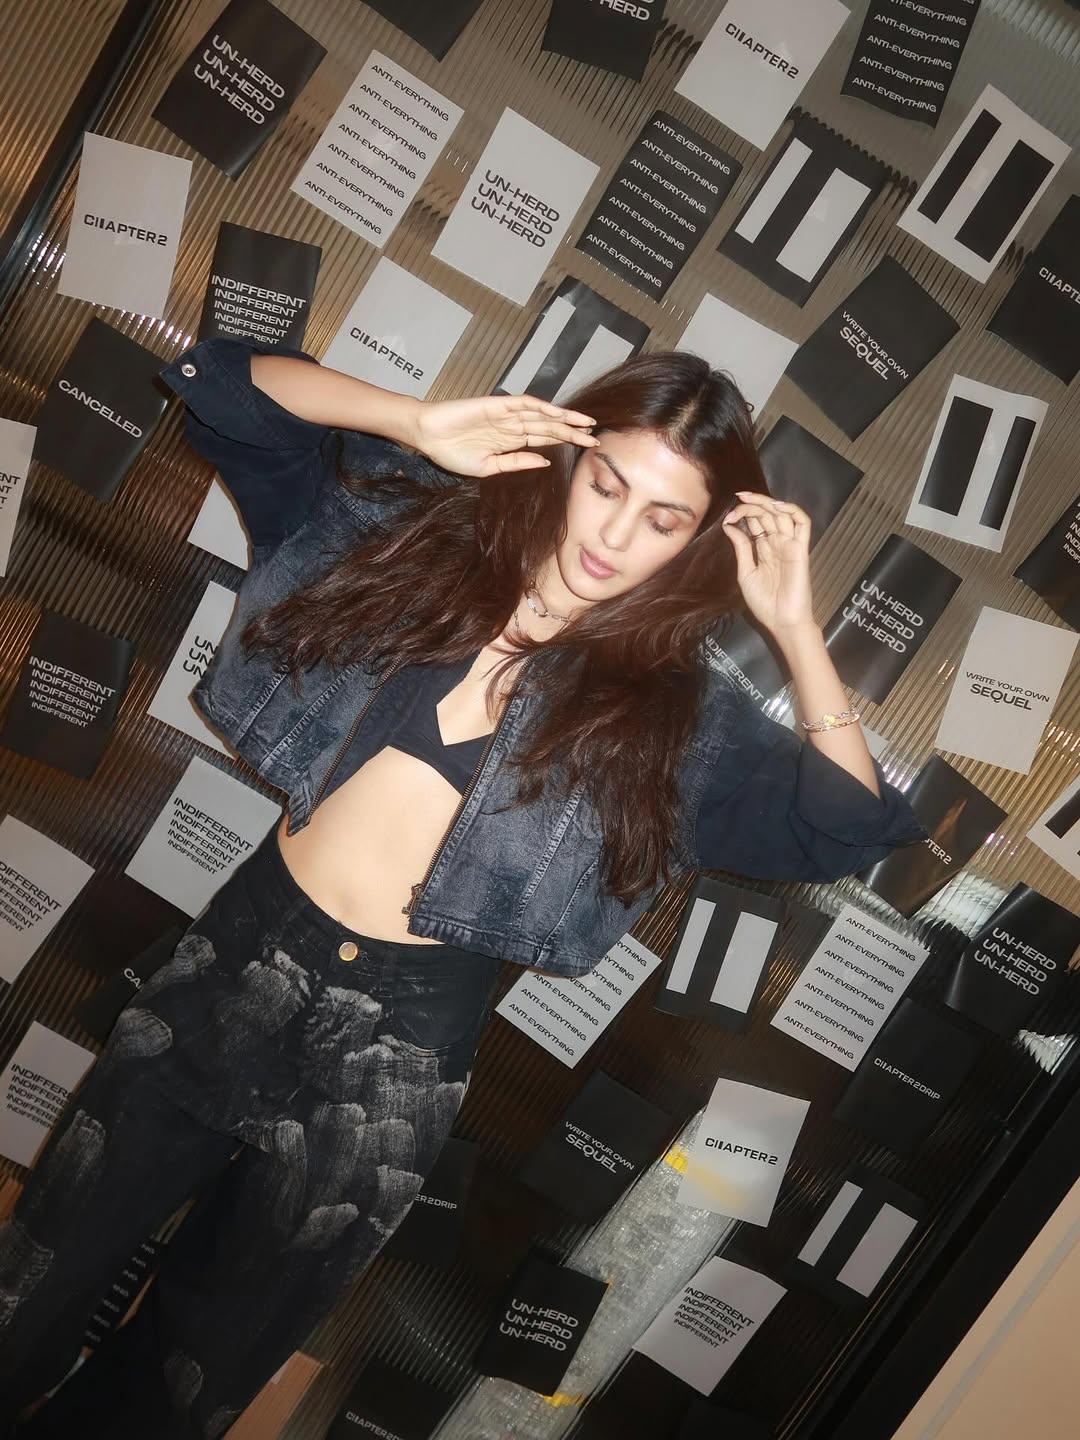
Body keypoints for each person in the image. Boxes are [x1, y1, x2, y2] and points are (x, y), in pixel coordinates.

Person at [0, 339, 927, 1438]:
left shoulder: (680, 711)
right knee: (42, 1268)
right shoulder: (415, 532)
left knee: (195, 1366)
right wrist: (415, 420)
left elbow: (846, 827)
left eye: (664, 519)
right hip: (239, 960)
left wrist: (796, 628)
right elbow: (227, 386)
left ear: (698, 539)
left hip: (398, 1053)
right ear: (568, 458)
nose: (615, 537)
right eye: (608, 485)